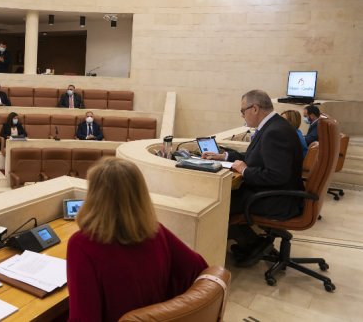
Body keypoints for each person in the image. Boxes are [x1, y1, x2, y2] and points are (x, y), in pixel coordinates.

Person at [67, 158, 207, 322]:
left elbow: (83, 319)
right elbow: (200, 268)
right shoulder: (157, 231)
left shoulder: (81, 244)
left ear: (94, 196)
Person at [202, 90, 304, 267]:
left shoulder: (274, 132)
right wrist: (225, 156)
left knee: (216, 204)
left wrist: (244, 171)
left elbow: (276, 175)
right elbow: (255, 157)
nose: (242, 115)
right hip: (277, 193)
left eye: (243, 111)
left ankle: (245, 246)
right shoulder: (274, 126)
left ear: (255, 108)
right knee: (224, 199)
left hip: (277, 199)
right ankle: (252, 243)